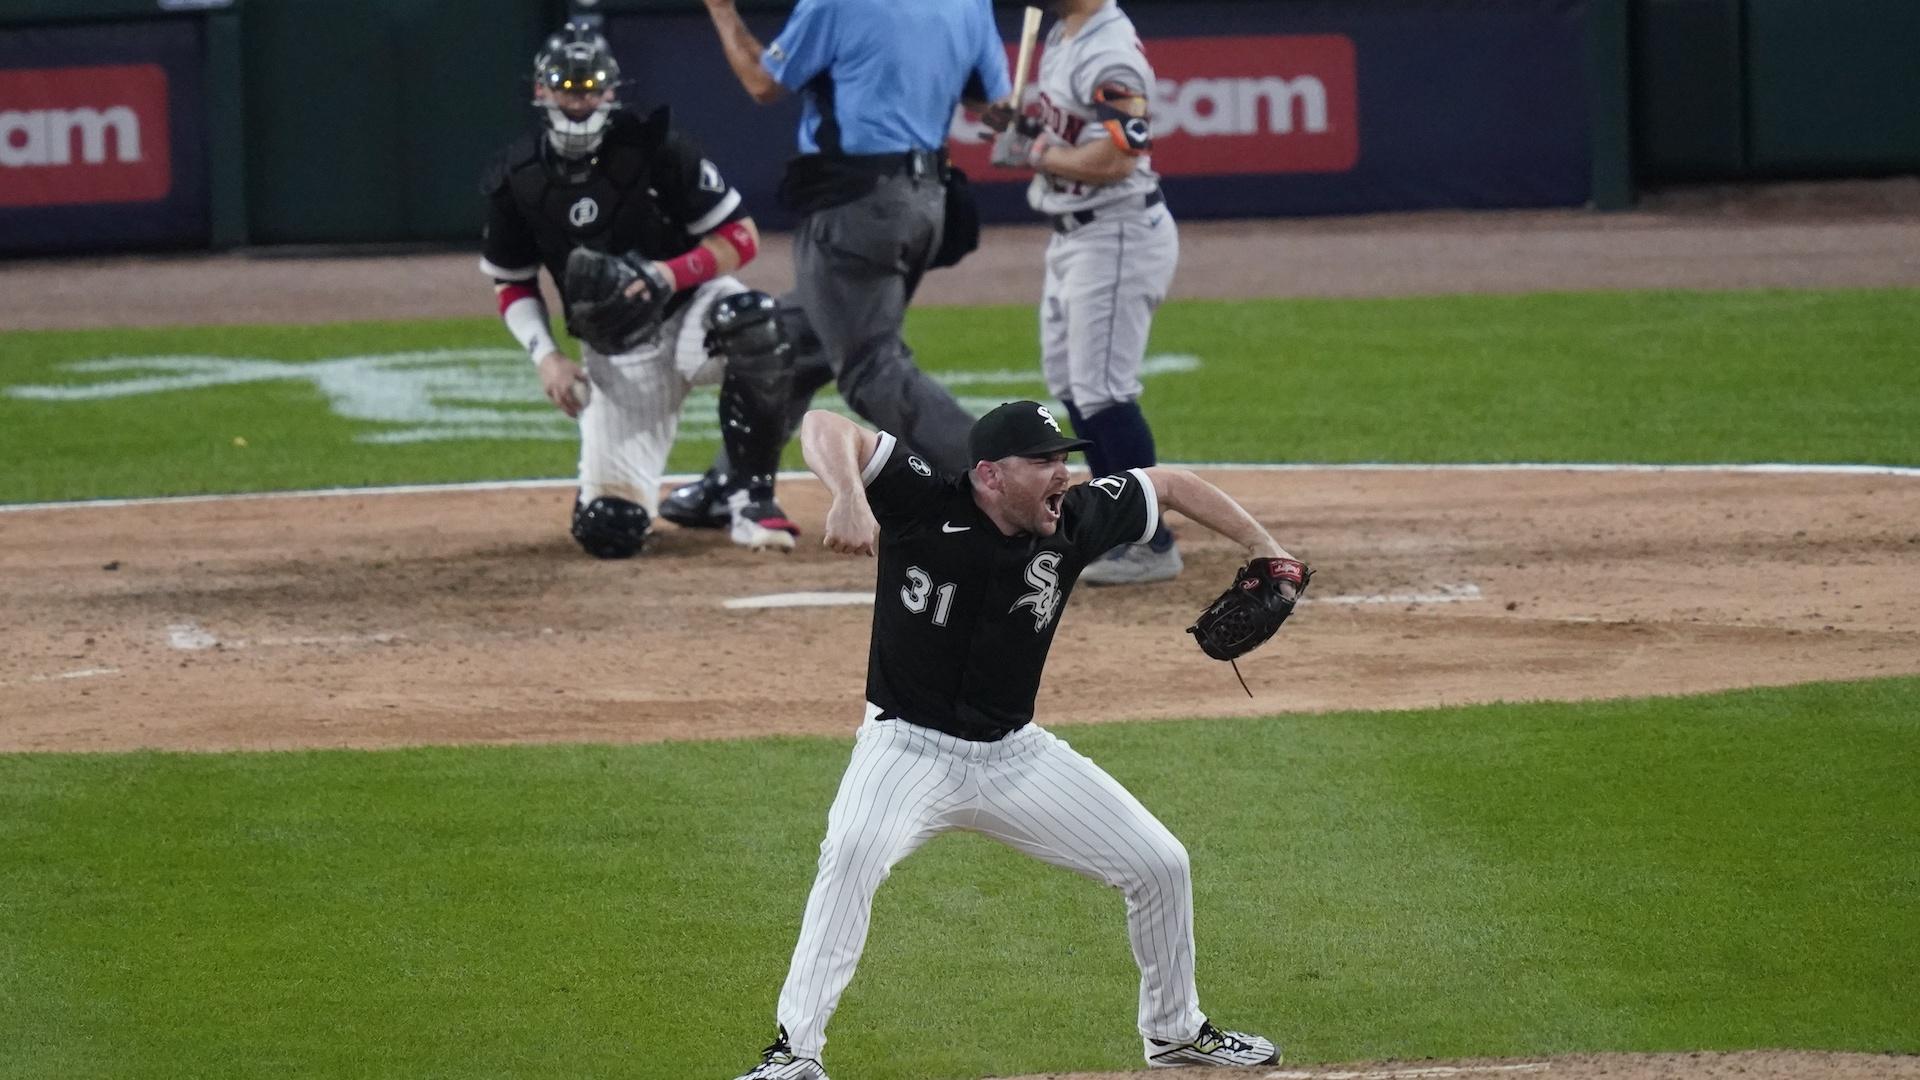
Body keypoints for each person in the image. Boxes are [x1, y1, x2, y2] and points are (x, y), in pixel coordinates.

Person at [729, 400, 1306, 1080]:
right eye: (1043, 462)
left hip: (1015, 756)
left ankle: (1176, 1032)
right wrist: (849, 498)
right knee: (851, 852)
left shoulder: (1075, 520)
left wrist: (1266, 549)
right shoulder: (920, 499)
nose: (1063, 474)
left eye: (1064, 459)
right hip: (905, 751)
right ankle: (795, 1052)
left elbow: (1171, 485)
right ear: (990, 475)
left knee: (1161, 864)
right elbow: (823, 423)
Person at [480, 20, 803, 558]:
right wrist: (547, 359)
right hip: (616, 347)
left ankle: (750, 498)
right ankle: (632, 498)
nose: (578, 100)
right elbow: (511, 283)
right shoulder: (518, 179)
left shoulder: (654, 148)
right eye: (567, 86)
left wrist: (665, 275)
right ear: (542, 90)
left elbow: (739, 238)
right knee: (610, 531)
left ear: (611, 91)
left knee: (752, 321)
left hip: (688, 310)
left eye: (590, 87)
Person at [695, 0, 1010, 482]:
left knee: (871, 369)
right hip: (928, 199)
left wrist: (721, 12)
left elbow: (763, 82)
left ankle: (999, 479)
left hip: (858, 201)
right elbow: (988, 104)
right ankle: (731, 483)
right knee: (794, 342)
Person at [988, 0, 1182, 585]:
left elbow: (1121, 156)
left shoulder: (1108, 53)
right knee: (1074, 386)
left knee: (1103, 391)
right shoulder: (1064, 33)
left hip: (1116, 230)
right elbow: (1069, 132)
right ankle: (1112, 523)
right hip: (1076, 234)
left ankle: (1150, 542)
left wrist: (1040, 154)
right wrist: (1025, 128)